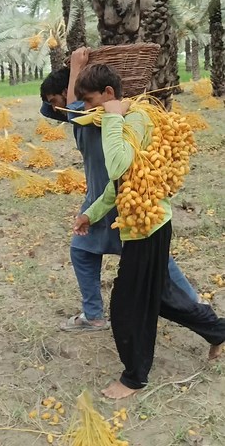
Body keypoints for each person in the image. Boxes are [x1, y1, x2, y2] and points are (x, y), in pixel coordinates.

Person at [73, 63, 225, 399]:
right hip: (142, 226)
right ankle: (217, 330)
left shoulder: (135, 120)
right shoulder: (125, 121)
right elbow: (121, 183)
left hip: (147, 228)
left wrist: (113, 116)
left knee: (127, 305)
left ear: (109, 94)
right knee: (157, 296)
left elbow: (117, 165)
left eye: (89, 101)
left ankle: (134, 377)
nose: (85, 110)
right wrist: (91, 213)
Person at [40, 49, 201, 331]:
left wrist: (77, 67)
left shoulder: (97, 116)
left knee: (157, 262)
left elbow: (76, 108)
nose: (56, 109)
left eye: (58, 101)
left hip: (121, 198)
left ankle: (198, 310)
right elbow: (55, 109)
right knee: (85, 251)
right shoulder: (88, 114)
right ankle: (94, 315)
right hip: (101, 199)